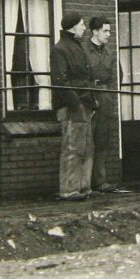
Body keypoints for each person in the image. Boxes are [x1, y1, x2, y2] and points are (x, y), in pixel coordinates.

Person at [51, 13, 97, 201]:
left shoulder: (77, 47)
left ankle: (83, 187)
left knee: (86, 146)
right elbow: (60, 80)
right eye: (81, 24)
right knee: (72, 147)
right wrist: (76, 104)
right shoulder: (60, 49)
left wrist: (92, 101)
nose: (84, 27)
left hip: (84, 104)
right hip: (72, 107)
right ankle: (69, 189)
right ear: (72, 28)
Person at [84, 16, 116, 193]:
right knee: (88, 139)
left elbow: (113, 75)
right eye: (105, 31)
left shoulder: (108, 53)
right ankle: (85, 182)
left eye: (109, 31)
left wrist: (108, 96)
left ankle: (100, 180)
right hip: (88, 96)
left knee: (103, 138)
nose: (109, 34)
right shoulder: (83, 51)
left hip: (105, 96)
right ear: (94, 31)